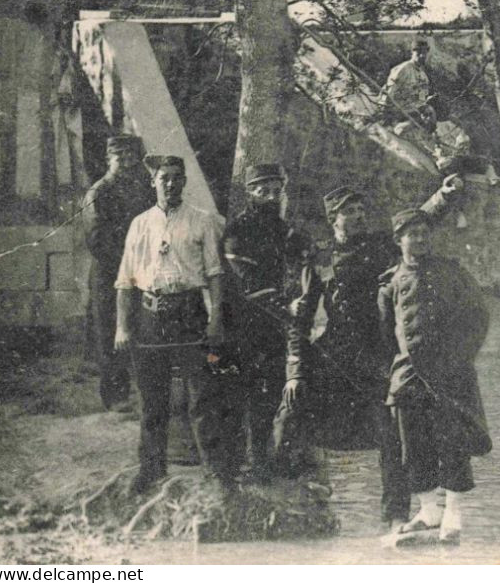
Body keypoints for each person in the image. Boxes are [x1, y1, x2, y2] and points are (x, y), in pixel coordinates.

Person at [276, 178, 460, 527]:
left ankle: (395, 520)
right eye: (350, 212)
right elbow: (299, 318)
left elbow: (416, 224)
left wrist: (442, 197)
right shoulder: (320, 259)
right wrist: (296, 370)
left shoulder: (381, 247)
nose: (359, 217)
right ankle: (284, 493)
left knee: (394, 434)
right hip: (334, 353)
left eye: (361, 210)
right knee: (289, 410)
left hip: (378, 355)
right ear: (334, 219)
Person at [112, 155, 236, 495]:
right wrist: (122, 327)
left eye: (177, 177)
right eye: (164, 177)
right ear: (153, 181)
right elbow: (125, 281)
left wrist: (215, 321)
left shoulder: (202, 221)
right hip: (150, 318)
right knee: (152, 400)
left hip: (190, 315)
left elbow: (214, 275)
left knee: (202, 397)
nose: (171, 183)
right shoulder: (139, 224)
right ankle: (151, 470)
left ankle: (216, 472)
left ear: (184, 182)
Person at [379, 186, 491, 547]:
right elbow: (386, 331)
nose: (421, 240)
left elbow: (478, 316)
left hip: (450, 372)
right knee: (414, 445)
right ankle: (428, 511)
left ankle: (453, 514)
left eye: (426, 234)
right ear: (399, 240)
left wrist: (461, 358)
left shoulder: (451, 272)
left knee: (453, 442)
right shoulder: (390, 284)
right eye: (413, 235)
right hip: (409, 375)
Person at [222, 162, 312, 482]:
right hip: (246, 321)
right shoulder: (237, 230)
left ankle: (276, 457)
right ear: (251, 192)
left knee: (277, 389)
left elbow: (304, 256)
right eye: (264, 191)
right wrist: (283, 303)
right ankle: (254, 462)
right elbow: (246, 282)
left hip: (275, 320)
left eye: (276, 191)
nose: (271, 197)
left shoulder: (281, 228)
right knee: (251, 393)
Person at [83, 133, 151, 409]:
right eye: (118, 156)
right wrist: (126, 267)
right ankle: (115, 399)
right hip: (109, 274)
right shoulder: (99, 192)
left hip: (141, 273)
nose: (124, 161)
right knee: (110, 332)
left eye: (130, 156)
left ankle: (141, 395)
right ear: (108, 159)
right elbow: (97, 239)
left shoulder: (144, 189)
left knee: (140, 330)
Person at [384, 39, 435, 125]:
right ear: (412, 52)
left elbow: (421, 98)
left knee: (430, 112)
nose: (422, 55)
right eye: (419, 53)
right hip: (399, 112)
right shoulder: (403, 69)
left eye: (424, 53)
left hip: (414, 111)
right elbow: (389, 93)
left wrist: (427, 100)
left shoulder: (423, 76)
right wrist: (387, 113)